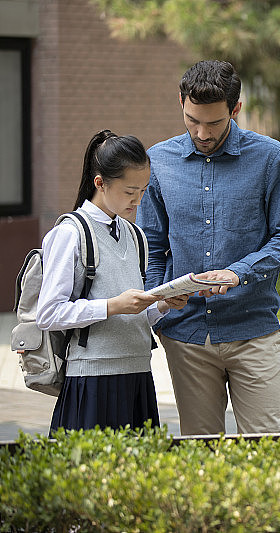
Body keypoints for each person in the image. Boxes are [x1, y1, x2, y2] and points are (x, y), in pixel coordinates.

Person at [138, 60, 280, 435]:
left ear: (236, 109)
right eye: (192, 119)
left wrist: (239, 272)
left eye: (213, 123)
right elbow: (151, 245)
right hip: (185, 335)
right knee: (201, 454)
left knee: (267, 449)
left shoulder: (269, 157)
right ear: (181, 102)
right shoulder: (159, 161)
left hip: (253, 330)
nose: (202, 132)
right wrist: (160, 301)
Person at [37, 130, 188, 434]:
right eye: (130, 191)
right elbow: (48, 314)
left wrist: (161, 305)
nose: (139, 200)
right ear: (100, 183)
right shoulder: (70, 234)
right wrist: (112, 306)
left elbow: (136, 314)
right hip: (92, 379)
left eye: (144, 190)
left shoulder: (136, 236)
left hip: (138, 376)